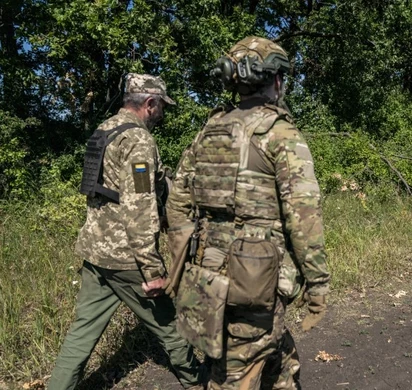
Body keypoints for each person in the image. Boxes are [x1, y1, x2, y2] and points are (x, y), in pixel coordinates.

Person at [166, 36, 331, 389]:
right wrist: (317, 281)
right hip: (256, 273)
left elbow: (177, 202)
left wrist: (183, 265)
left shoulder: (208, 132)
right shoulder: (280, 134)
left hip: (208, 269)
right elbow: (304, 217)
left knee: (276, 355)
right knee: (234, 371)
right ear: (276, 80)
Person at [48, 74, 203, 390]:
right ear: (149, 103)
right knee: (169, 324)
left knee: (81, 332)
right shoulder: (138, 141)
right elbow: (139, 205)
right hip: (127, 259)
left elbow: (104, 190)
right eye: (161, 106)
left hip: (95, 251)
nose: (162, 113)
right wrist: (151, 269)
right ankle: (196, 379)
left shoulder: (103, 130)